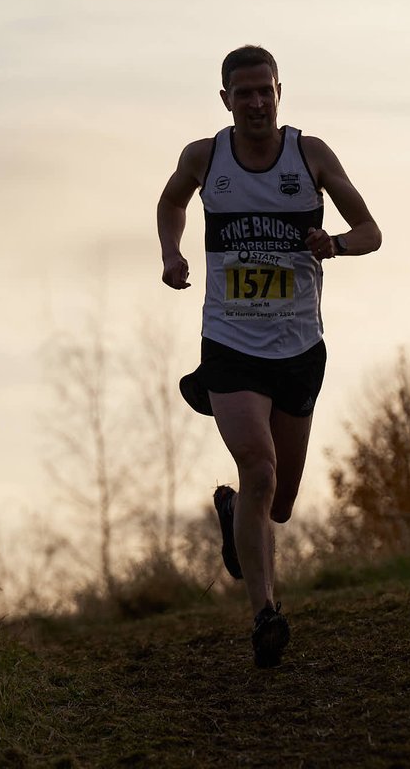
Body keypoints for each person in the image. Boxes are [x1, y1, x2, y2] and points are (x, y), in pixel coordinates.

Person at [156, 45, 381, 668]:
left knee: (276, 502)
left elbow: (371, 233)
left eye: (266, 91)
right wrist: (172, 254)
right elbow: (171, 201)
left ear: (279, 93)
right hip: (229, 344)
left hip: (298, 348)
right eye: (243, 93)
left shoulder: (311, 155)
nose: (256, 102)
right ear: (225, 99)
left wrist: (332, 243)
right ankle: (265, 615)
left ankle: (234, 519)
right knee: (258, 465)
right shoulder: (205, 156)